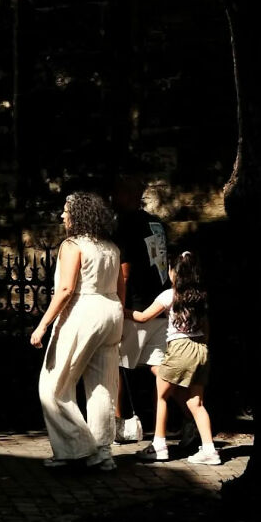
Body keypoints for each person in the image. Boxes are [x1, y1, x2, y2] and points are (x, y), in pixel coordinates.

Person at [30, 192, 125, 471]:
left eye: (66, 211)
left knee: (53, 385)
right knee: (102, 385)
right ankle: (102, 453)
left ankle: (77, 447)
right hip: (112, 311)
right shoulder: (111, 247)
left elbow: (66, 289)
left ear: (78, 215)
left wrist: (43, 324)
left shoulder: (72, 245)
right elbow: (121, 287)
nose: (62, 216)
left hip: (84, 310)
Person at [127, 250, 220, 465]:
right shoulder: (201, 297)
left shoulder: (169, 295)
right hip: (200, 350)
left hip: (179, 349)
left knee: (161, 397)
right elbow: (206, 329)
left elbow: (143, 317)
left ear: (173, 273)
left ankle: (159, 445)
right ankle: (209, 449)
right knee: (196, 402)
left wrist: (123, 310)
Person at [113, 175, 169, 439]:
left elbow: (125, 268)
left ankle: (119, 423)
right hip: (159, 303)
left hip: (134, 307)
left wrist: (118, 304)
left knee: (118, 366)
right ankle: (188, 410)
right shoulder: (157, 223)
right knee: (157, 367)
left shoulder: (125, 224)